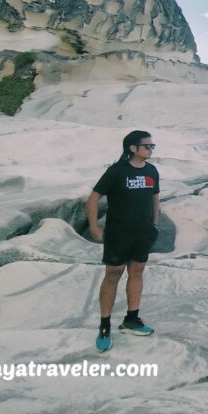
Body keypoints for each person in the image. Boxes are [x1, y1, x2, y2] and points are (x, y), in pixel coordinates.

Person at [86, 130, 160, 352]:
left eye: (152, 146)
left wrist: (154, 224)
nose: (151, 149)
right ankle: (105, 325)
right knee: (113, 274)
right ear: (133, 148)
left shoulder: (151, 171)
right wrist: (94, 227)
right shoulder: (117, 171)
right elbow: (93, 198)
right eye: (147, 146)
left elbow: (155, 196)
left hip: (142, 232)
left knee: (137, 271)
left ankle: (132, 319)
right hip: (119, 233)